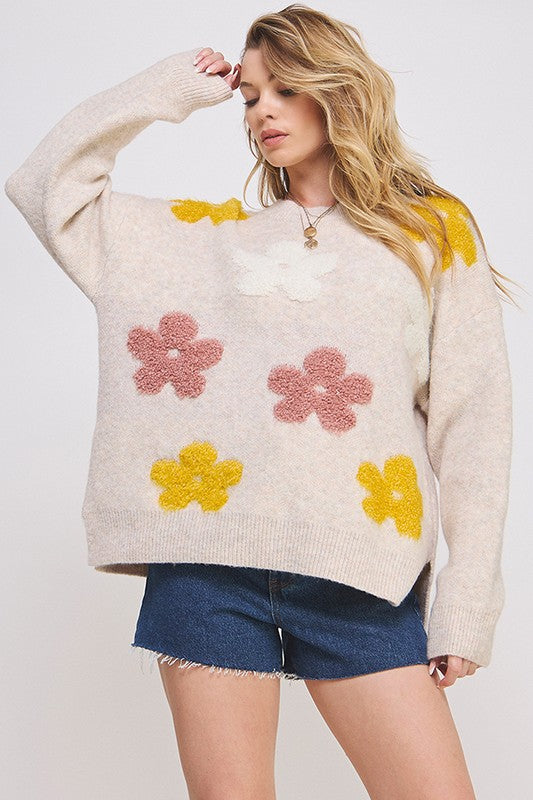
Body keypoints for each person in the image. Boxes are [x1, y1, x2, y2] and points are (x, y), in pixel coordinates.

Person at [4, 4, 517, 798]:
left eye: (285, 89)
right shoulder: (200, 239)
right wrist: (167, 87)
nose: (262, 112)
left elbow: (473, 424)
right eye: (249, 96)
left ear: (336, 89)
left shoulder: (427, 233)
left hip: (359, 573)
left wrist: (466, 603)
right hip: (206, 572)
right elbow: (44, 186)